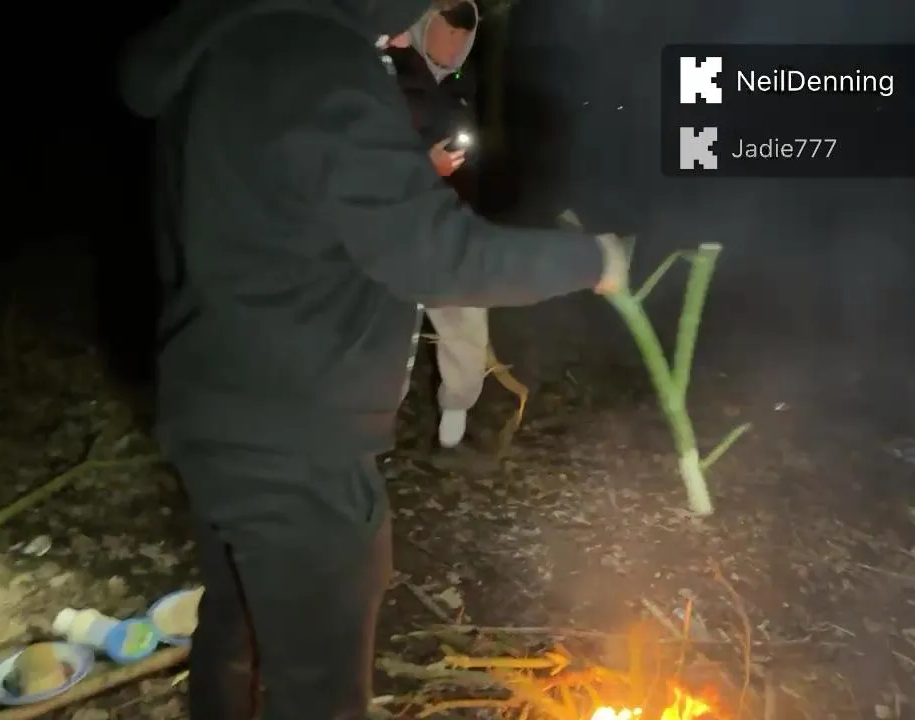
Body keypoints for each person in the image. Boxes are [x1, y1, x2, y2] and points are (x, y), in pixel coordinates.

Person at [117, 0, 630, 717]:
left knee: (237, 631)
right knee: (318, 692)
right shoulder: (318, 59)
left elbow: (289, 213)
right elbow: (436, 255)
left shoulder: (226, 46)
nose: (402, 33)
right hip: (295, 437)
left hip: (216, 402)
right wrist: (590, 260)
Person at [387, 0, 488, 448]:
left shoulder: (461, 85)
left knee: (467, 323)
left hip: (448, 224)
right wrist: (422, 166)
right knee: (386, 336)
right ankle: (368, 440)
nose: (455, 41)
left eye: (464, 34)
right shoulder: (386, 70)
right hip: (392, 225)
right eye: (448, 29)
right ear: (424, 22)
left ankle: (453, 430)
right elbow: (361, 155)